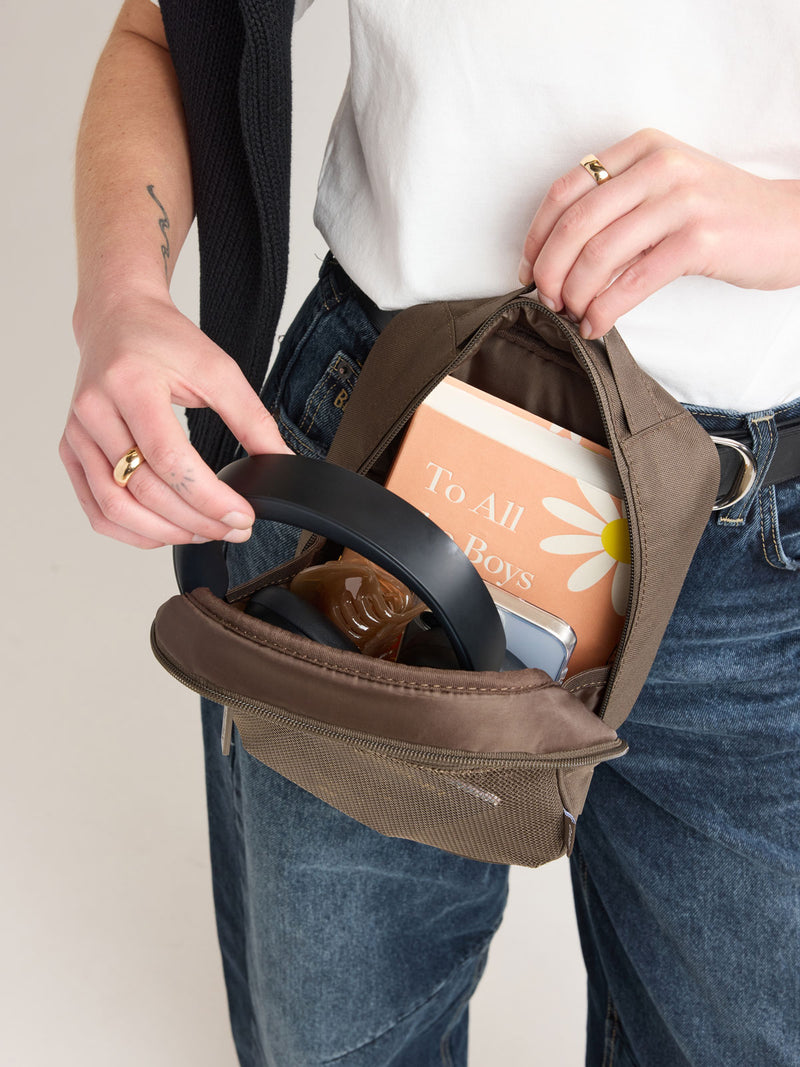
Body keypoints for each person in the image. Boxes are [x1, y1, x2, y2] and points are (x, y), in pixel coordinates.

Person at [61, 1, 800, 1063]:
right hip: (378, 467)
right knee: (335, 1041)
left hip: (755, 550)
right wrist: (121, 296)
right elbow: (167, 33)